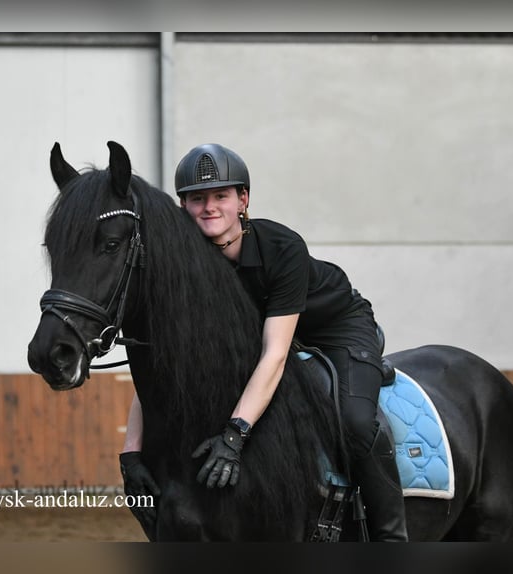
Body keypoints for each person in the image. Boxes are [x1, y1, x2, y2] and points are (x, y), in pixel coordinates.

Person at [120, 143, 407, 541]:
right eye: (197, 198)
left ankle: (392, 537)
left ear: (243, 200)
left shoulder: (281, 247)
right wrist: (131, 453)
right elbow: (168, 367)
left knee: (356, 423)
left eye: (221, 195)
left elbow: (275, 353)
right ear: (183, 207)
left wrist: (234, 436)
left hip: (334, 327)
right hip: (266, 334)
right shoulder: (188, 265)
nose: (209, 207)